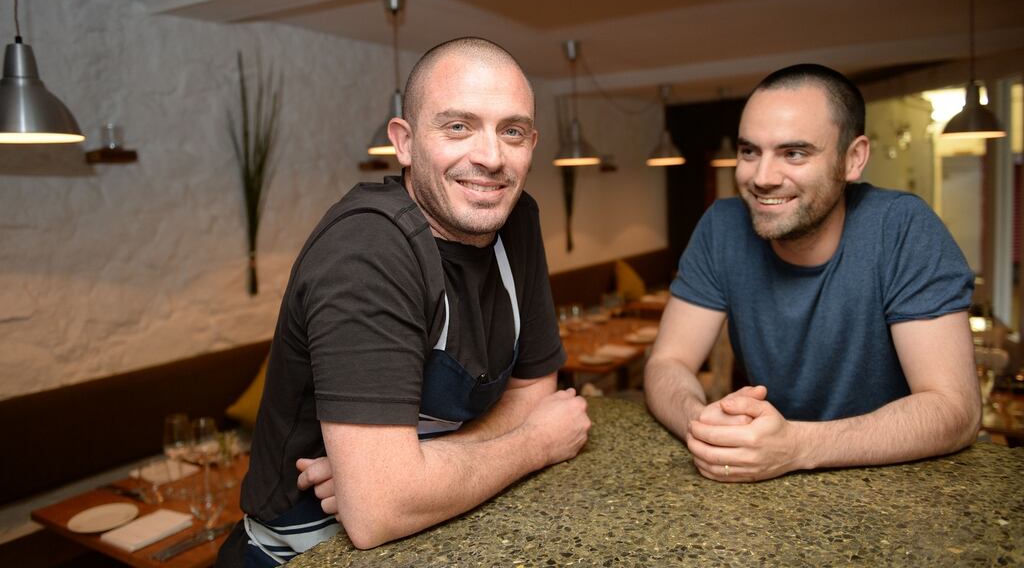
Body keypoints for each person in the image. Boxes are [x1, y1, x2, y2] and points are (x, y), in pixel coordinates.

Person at [217, 37, 591, 566]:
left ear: (532, 143)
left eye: (512, 131)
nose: (490, 158)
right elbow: (379, 514)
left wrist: (416, 468)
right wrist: (535, 443)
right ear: (406, 142)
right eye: (458, 126)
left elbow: (535, 388)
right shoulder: (367, 251)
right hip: (301, 554)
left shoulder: (515, 220)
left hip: (438, 534)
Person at [644, 63, 979, 484]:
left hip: (894, 485)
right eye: (750, 152)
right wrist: (704, 426)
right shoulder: (722, 225)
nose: (762, 178)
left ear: (852, 159)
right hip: (768, 485)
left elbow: (954, 409)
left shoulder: (903, 227)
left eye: (794, 153)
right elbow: (668, 362)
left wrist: (797, 446)